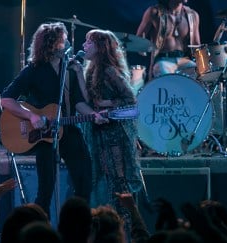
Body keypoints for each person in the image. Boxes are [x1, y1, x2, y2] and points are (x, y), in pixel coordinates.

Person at [0, 22, 94, 217]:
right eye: (63, 39)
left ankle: (76, 226)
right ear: (52, 44)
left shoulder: (70, 69)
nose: (67, 42)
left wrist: (94, 114)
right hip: (43, 135)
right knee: (46, 190)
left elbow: (78, 102)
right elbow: (7, 99)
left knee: (84, 180)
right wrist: (31, 115)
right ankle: (40, 230)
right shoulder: (33, 69)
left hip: (68, 130)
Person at [75, 29, 142, 242]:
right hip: (98, 134)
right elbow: (87, 100)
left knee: (118, 181)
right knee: (104, 181)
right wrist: (77, 73)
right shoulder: (90, 69)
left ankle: (128, 232)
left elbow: (131, 102)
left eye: (89, 42)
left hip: (115, 135)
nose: (84, 46)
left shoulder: (110, 71)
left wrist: (108, 104)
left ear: (101, 47)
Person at [136, 0, 200, 79]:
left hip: (183, 60)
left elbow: (197, 45)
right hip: (162, 60)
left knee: (198, 73)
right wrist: (143, 47)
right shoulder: (155, 12)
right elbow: (138, 39)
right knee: (166, 76)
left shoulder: (192, 15)